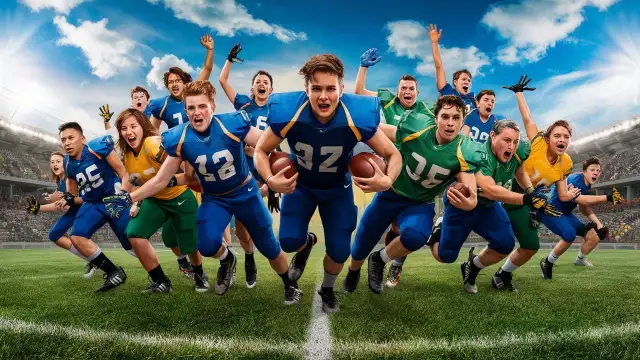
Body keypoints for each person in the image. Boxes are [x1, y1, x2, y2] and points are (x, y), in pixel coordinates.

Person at [104, 80, 303, 304]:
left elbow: (267, 145)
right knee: (206, 244)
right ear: (185, 109)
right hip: (215, 199)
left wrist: (273, 177)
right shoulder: (179, 137)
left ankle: (290, 283)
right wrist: (129, 197)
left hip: (245, 192)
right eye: (191, 108)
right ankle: (228, 259)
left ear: (213, 106)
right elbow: (161, 179)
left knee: (268, 246)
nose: (196, 113)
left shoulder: (232, 123)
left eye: (202, 106)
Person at [253, 54, 402, 312]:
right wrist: (269, 179)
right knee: (288, 241)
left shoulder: (356, 115)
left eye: (331, 89)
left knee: (340, 250)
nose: (324, 96)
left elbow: (393, 154)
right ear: (306, 89)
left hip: (337, 188)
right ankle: (307, 242)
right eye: (316, 89)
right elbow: (259, 151)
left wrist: (387, 179)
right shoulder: (290, 112)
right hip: (301, 185)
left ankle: (327, 289)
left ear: (341, 89)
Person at [492, 76, 622, 290]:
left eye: (566, 136)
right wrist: (518, 93)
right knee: (498, 237)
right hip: (511, 191)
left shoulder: (567, 162)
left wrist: (571, 196)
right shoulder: (537, 143)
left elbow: (562, 195)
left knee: (556, 237)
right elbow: (527, 119)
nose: (562, 140)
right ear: (548, 137)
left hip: (535, 201)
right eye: (557, 135)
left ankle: (516, 269)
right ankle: (474, 262)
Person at [346, 95, 482, 296]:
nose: (450, 123)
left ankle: (379, 259)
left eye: (456, 117)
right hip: (390, 193)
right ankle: (353, 271)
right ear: (436, 118)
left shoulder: (465, 150)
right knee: (363, 241)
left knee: (417, 236)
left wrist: (469, 202)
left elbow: (471, 194)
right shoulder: (416, 128)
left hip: (419, 203)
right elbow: (377, 130)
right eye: (445, 116)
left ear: (463, 121)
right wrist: (354, 126)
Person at [429, 119, 561, 293]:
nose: (512, 146)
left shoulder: (520, 149)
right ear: (492, 136)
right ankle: (437, 231)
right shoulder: (478, 153)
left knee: (505, 244)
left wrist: (530, 191)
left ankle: (472, 266)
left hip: (488, 206)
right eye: (506, 140)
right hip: (462, 203)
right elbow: (490, 189)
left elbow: (519, 170)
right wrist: (528, 199)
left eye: (514, 141)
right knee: (445, 256)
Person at [355, 48, 436, 288]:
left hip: (415, 172)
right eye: (403, 88)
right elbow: (359, 92)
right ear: (397, 90)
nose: (407, 91)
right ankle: (374, 261)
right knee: (395, 227)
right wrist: (364, 68)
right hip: (390, 168)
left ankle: (395, 262)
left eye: (411, 88)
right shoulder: (388, 100)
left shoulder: (426, 110)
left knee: (405, 229)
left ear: (417, 93)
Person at [114, 108, 209, 293]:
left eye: (133, 126)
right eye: (124, 128)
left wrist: (185, 176)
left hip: (180, 195)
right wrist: (130, 198)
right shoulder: (127, 153)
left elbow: (183, 165)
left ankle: (199, 274)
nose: (128, 132)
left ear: (143, 126)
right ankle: (160, 281)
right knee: (134, 232)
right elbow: (133, 178)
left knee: (188, 243)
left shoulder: (152, 144)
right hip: (155, 199)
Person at [218, 43, 278, 288]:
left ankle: (254, 253)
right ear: (253, 87)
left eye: (266, 81)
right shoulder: (243, 104)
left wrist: (272, 180)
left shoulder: (277, 110)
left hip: (262, 167)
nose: (262, 83)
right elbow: (222, 81)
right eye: (258, 81)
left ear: (271, 88)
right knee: (240, 222)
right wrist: (229, 60)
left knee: (253, 219)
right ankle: (249, 257)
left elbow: (280, 140)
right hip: (240, 166)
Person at [57, 122, 132, 292]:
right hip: (92, 203)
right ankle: (113, 272)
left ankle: (163, 274)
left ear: (82, 139)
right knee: (77, 236)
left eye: (71, 138)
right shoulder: (68, 163)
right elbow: (74, 195)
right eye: (63, 140)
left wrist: (124, 196)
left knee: (132, 245)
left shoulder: (95, 147)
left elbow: (123, 172)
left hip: (113, 199)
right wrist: (66, 198)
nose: (67, 143)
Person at [538, 157, 624, 274]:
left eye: (598, 171)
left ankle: (580, 260)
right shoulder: (575, 180)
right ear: (584, 171)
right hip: (551, 210)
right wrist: (609, 197)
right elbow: (581, 200)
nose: (596, 173)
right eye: (593, 170)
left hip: (565, 213)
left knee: (593, 237)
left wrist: (599, 224)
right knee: (569, 234)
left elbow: (583, 207)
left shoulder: (586, 184)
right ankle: (548, 262)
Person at [25, 151, 99, 279]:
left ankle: (100, 262)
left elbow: (69, 201)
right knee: (54, 234)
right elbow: (58, 203)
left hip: (88, 207)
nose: (55, 164)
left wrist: (41, 206)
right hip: (76, 209)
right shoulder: (60, 181)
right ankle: (93, 260)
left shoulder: (71, 177)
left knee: (77, 236)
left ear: (65, 162)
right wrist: (39, 207)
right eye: (52, 162)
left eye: (58, 161)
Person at [148, 35, 215, 130]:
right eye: (170, 82)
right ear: (167, 86)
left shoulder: (193, 95)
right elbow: (152, 132)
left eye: (178, 80)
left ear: (185, 83)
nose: (174, 84)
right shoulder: (162, 105)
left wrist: (210, 49)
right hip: (178, 144)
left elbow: (207, 69)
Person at [429, 24, 475, 111]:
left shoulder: (474, 100)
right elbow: (439, 66)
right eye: (464, 79)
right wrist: (434, 43)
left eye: (469, 81)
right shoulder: (448, 91)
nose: (467, 82)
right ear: (455, 82)